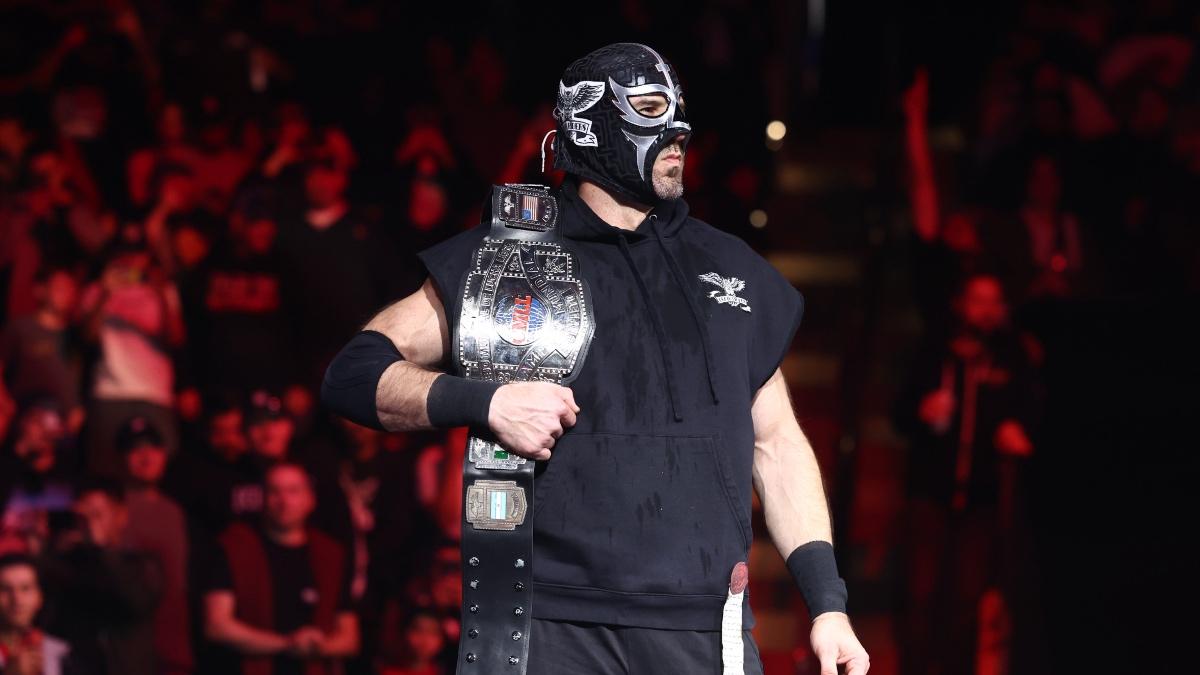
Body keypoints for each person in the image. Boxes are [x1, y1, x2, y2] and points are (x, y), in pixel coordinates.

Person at [322, 43, 869, 674]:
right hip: (553, 627)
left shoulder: (730, 272)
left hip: (702, 626)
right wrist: (485, 400)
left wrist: (828, 605)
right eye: (650, 108)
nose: (679, 130)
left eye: (680, 110)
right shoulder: (511, 259)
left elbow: (778, 446)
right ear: (588, 125)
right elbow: (354, 372)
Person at [203, 462, 359, 675]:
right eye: (275, 492)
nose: (284, 501)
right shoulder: (235, 546)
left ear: (310, 500)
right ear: (263, 499)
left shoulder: (330, 555)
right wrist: (287, 644)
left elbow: (350, 638)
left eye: (293, 491)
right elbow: (217, 625)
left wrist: (315, 647)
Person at [118, 415, 193, 675]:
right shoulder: (111, 509)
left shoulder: (175, 510)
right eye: (136, 449)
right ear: (120, 458)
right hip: (127, 648)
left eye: (153, 448)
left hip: (172, 647)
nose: (146, 457)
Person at [0, 554, 72, 675]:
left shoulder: (63, 654)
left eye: (25, 589)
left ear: (39, 597)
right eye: (5, 589)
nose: (17, 600)